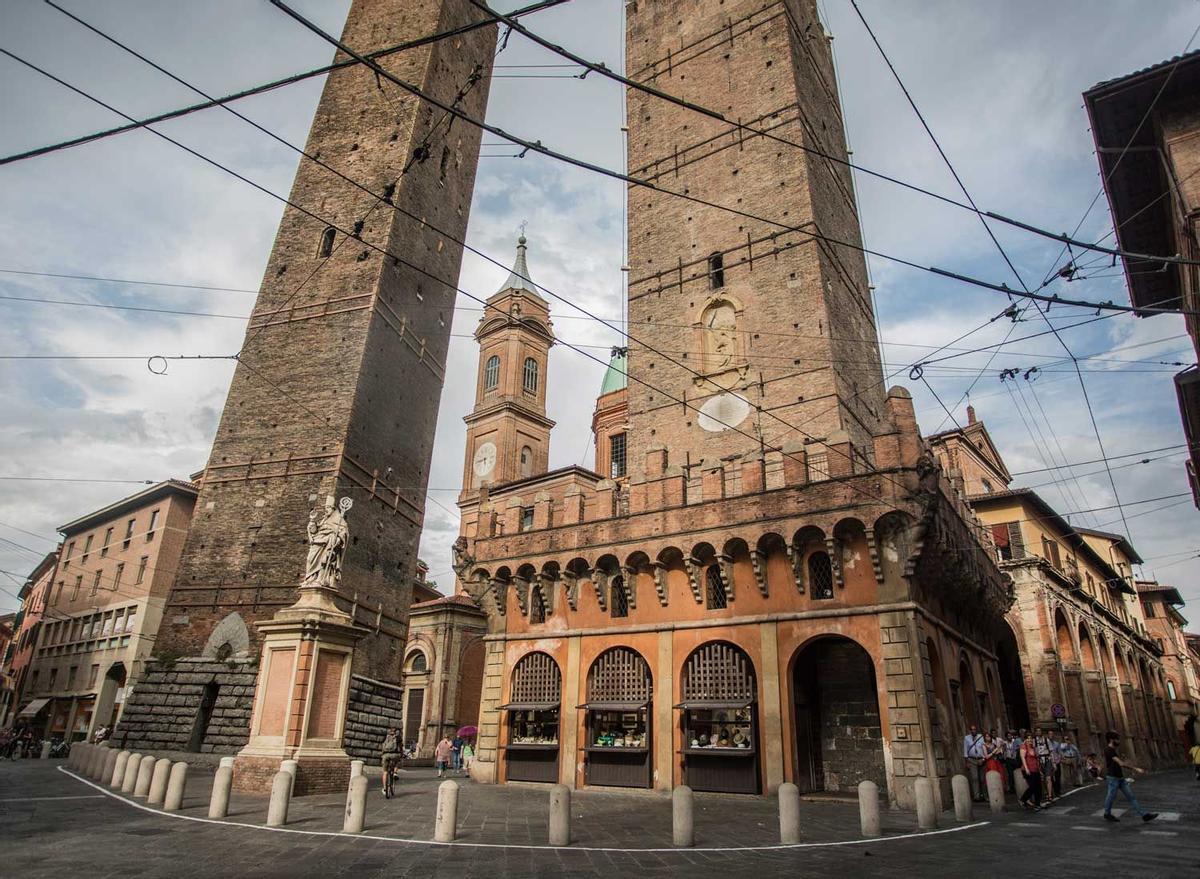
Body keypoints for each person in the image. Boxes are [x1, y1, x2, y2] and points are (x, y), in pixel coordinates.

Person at [1101, 731, 1157, 823]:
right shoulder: (1108, 750)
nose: (1119, 741)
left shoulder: (1113, 750)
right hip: (1113, 778)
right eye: (1117, 739)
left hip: (1120, 778)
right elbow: (1121, 764)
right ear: (1111, 740)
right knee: (1111, 797)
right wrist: (1135, 768)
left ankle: (1144, 815)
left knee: (1131, 797)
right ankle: (1107, 814)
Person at [1018, 734, 1043, 811]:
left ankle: (1037, 804)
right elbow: (1023, 758)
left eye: (1031, 738)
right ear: (1025, 739)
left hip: (1036, 769)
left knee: (1039, 787)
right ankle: (1023, 799)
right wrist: (1026, 769)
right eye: (1028, 738)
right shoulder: (1023, 746)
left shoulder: (1033, 747)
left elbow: (1037, 760)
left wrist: (1040, 770)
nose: (1030, 740)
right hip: (1028, 769)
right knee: (1032, 786)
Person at [963, 724, 987, 802]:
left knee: (982, 778)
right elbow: (965, 750)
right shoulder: (967, 738)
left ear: (976, 730)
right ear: (970, 731)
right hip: (972, 759)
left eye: (975, 729)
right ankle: (977, 796)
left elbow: (984, 748)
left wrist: (983, 759)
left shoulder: (981, 737)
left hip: (980, 759)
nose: (973, 731)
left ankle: (984, 795)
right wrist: (966, 762)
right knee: (975, 778)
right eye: (972, 729)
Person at [380, 727, 401, 798]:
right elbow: (400, 748)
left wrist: (382, 754)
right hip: (395, 755)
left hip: (386, 755)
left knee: (385, 772)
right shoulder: (398, 738)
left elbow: (382, 746)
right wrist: (401, 754)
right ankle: (395, 772)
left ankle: (385, 789)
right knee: (398, 761)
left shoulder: (385, 737)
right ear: (395, 732)